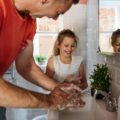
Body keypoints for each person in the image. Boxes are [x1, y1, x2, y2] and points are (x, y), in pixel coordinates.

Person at [0, 0, 79, 119]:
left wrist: (58, 87)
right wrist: (49, 100)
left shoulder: (30, 22)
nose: (55, 18)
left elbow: (26, 66)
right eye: (58, 12)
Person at [46, 29, 88, 120]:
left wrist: (76, 86)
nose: (69, 49)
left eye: (72, 46)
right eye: (66, 45)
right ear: (59, 45)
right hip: (57, 102)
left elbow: (85, 84)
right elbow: (46, 85)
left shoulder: (79, 61)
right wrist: (66, 82)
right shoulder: (53, 61)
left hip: (74, 103)